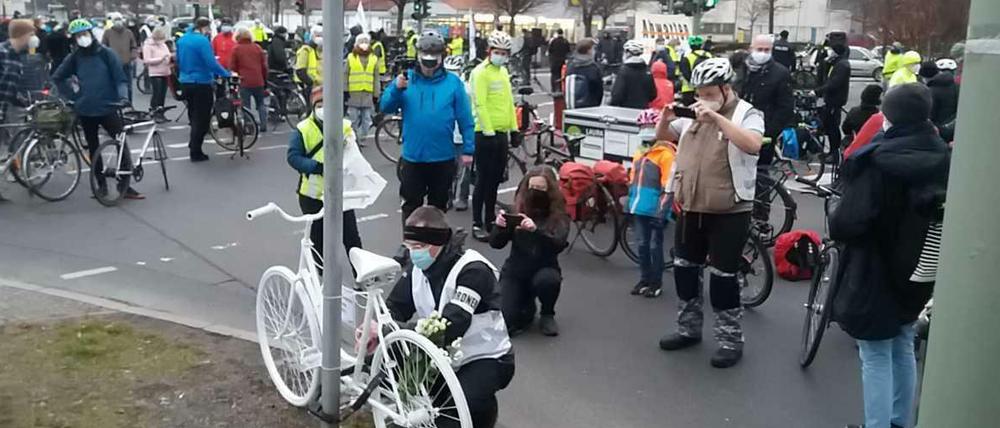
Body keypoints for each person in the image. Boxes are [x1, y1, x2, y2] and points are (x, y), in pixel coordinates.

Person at [832, 84, 949, 428]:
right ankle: (900, 421)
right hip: (919, 267)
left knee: (875, 353)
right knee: (902, 343)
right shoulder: (942, 152)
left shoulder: (877, 160)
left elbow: (848, 222)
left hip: (875, 269)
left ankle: (876, 424)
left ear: (889, 115)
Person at [653, 58, 765, 368]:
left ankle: (730, 339)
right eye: (698, 93)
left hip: (729, 210)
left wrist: (716, 117)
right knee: (685, 271)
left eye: (708, 93)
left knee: (723, 279)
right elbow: (663, 136)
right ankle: (688, 329)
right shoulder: (695, 115)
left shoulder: (747, 113)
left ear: (726, 88)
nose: (701, 98)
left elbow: (753, 144)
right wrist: (666, 117)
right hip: (691, 205)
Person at [387, 206, 515, 428]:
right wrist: (377, 327)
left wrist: (397, 330)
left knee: (452, 416)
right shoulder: (418, 267)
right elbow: (396, 305)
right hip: (443, 354)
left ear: (438, 243)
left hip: (486, 357)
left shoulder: (473, 270)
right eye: (409, 246)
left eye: (419, 247)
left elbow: (453, 322)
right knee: (391, 363)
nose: (413, 253)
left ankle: (480, 413)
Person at [380, 30, 475, 230]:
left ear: (442, 58)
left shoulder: (453, 83)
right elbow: (385, 107)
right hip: (413, 157)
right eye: (425, 59)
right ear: (418, 56)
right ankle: (409, 244)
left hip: (442, 158)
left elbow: (465, 118)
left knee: (438, 208)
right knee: (410, 206)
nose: (429, 64)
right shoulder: (406, 80)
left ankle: (437, 246)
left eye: (434, 59)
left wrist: (468, 149)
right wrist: (396, 89)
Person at [54, 19, 143, 200]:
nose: (82, 38)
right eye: (78, 36)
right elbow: (58, 77)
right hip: (86, 109)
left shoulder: (106, 54)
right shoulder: (75, 57)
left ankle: (124, 185)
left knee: (121, 144)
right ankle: (100, 184)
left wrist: (123, 97)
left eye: (84, 34)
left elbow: (120, 79)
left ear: (91, 34)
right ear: (74, 39)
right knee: (94, 148)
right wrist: (73, 96)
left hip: (109, 106)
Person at [286, 87, 364, 268]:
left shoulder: (344, 126)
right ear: (313, 106)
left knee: (351, 237)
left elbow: (354, 153)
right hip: (312, 196)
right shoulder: (303, 129)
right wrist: (316, 167)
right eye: (319, 104)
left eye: (327, 104)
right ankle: (321, 278)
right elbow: (293, 157)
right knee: (317, 239)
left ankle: (361, 276)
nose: (323, 108)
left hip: (340, 193)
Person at [491, 167, 570, 336]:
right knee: (507, 321)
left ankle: (547, 313)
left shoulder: (558, 215)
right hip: (516, 271)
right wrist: (500, 228)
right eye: (532, 187)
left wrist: (536, 231)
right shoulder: (517, 209)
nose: (535, 192)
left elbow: (558, 244)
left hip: (544, 268)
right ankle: (526, 305)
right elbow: (496, 244)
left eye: (541, 189)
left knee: (548, 280)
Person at [469, 31, 518, 242]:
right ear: (489, 52)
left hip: (501, 133)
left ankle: (490, 219)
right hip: (484, 134)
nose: (500, 55)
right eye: (497, 52)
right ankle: (477, 223)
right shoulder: (480, 73)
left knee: (495, 180)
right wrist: (488, 130)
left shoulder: (503, 72)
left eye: (504, 53)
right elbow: (479, 103)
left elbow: (509, 102)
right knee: (482, 180)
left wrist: (514, 129)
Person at [628, 109, 677, 298]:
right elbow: (634, 178)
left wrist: (662, 211)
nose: (646, 130)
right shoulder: (640, 152)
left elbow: (669, 186)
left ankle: (656, 282)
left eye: (650, 127)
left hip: (656, 209)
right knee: (641, 245)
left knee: (654, 246)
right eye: (643, 127)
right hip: (639, 207)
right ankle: (644, 278)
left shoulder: (665, 154)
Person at [176, 17, 231, 162]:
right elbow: (211, 62)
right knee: (202, 118)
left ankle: (192, 143)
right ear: (204, 28)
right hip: (201, 82)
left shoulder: (182, 39)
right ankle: (196, 150)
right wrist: (225, 73)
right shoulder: (202, 41)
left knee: (193, 114)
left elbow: (178, 60)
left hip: (185, 81)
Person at [738, 34, 793, 166]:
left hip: (764, 131)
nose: (762, 53)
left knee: (761, 172)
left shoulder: (781, 73)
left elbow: (785, 107)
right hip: (738, 127)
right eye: (759, 49)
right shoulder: (742, 69)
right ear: (751, 49)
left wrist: (771, 132)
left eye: (766, 50)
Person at [443, 55, 473, 212]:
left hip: (461, 136)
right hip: (446, 135)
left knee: (464, 170)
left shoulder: (466, 89)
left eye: (455, 71)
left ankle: (461, 198)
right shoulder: (441, 87)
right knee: (447, 169)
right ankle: (447, 196)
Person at [813, 43, 850, 164]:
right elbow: (824, 76)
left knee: (833, 127)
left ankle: (835, 154)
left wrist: (817, 91)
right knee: (829, 126)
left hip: (835, 100)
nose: (829, 51)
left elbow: (834, 83)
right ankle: (831, 153)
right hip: (830, 100)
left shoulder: (842, 65)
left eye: (831, 49)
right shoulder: (836, 63)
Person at [230, 28, 269, 132]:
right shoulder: (257, 48)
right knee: (260, 103)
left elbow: (233, 66)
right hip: (258, 80)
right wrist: (264, 79)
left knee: (246, 105)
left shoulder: (236, 49)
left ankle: (249, 126)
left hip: (244, 81)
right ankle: (263, 124)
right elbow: (264, 66)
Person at [344, 33, 380, 143]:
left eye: (366, 42)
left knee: (367, 120)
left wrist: (376, 94)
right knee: (353, 119)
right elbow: (345, 74)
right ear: (357, 44)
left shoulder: (374, 58)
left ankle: (361, 137)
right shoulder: (351, 57)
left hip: (367, 93)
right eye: (361, 42)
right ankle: (354, 139)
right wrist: (345, 91)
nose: (364, 44)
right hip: (353, 93)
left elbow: (376, 78)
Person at [0, 19, 31, 123]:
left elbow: (10, 87)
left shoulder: (18, 57)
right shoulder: (2, 52)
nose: (33, 38)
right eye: (30, 35)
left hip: (5, 112)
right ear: (22, 35)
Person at [608, 39, 655, 109]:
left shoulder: (624, 71)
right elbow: (653, 94)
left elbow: (617, 95)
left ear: (628, 53)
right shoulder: (647, 71)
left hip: (626, 110)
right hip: (642, 110)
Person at [101, 15, 138, 103]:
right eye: (116, 20)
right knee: (113, 85)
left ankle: (129, 104)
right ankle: (115, 104)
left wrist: (132, 56)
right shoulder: (108, 32)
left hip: (126, 63)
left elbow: (133, 46)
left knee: (128, 86)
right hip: (112, 65)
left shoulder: (128, 32)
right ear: (113, 22)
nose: (118, 22)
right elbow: (103, 47)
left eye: (119, 20)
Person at [142, 26, 172, 122]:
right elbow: (147, 60)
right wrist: (161, 59)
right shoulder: (148, 46)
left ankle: (161, 112)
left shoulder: (163, 45)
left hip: (165, 71)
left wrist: (169, 59)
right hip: (155, 73)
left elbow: (168, 54)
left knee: (162, 94)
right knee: (157, 93)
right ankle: (154, 111)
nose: (162, 42)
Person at [564, 38, 603, 108]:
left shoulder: (571, 65)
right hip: (589, 106)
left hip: (571, 105)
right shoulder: (593, 68)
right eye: (593, 49)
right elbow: (599, 90)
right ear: (589, 51)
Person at [679, 35, 713, 105]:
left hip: (688, 90)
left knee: (689, 113)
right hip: (706, 88)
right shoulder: (709, 55)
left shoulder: (687, 57)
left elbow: (685, 74)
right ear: (701, 45)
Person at [294, 25, 323, 105]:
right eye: (318, 35)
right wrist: (310, 83)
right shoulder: (306, 50)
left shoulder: (322, 50)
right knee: (312, 110)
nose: (321, 38)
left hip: (322, 86)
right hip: (311, 87)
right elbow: (300, 70)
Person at [927, 58, 959, 127]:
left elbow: (930, 114)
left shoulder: (932, 89)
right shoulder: (959, 88)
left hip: (936, 130)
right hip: (955, 128)